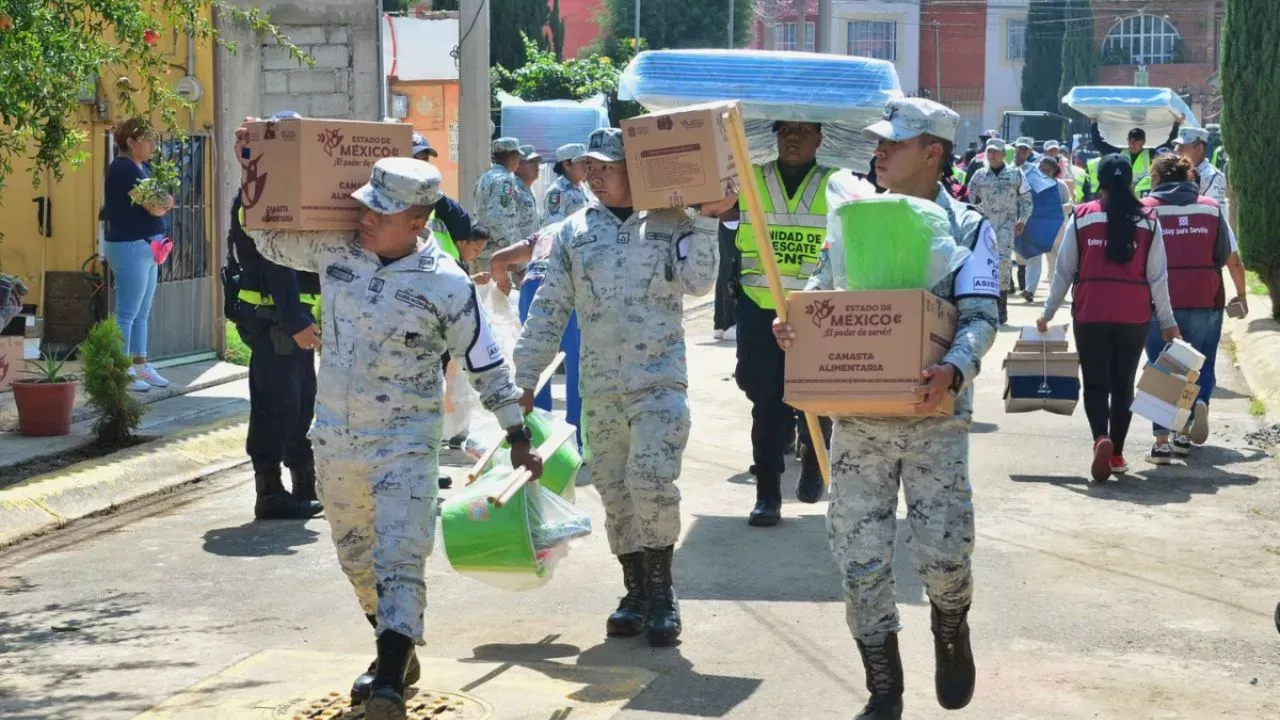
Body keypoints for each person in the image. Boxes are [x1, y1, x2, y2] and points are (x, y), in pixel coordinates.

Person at [236, 121, 543, 720]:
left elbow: (485, 360)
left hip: (405, 440)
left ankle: (389, 688)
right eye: (366, 208)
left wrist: (515, 431)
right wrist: (257, 163)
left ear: (419, 223)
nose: (366, 219)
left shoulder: (447, 284)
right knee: (356, 556)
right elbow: (267, 237)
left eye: (381, 213)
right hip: (336, 438)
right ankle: (394, 648)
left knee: (400, 554)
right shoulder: (335, 251)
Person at [773, 98, 1000, 720]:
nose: (878, 153)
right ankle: (883, 686)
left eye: (893, 145)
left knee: (944, 553)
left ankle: (951, 628)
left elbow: (982, 315)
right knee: (859, 555)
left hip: (935, 418)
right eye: (877, 144)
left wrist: (954, 365)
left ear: (933, 152)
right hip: (861, 421)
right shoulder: (851, 220)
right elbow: (823, 294)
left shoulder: (969, 227)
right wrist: (796, 326)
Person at [513, 127, 725, 647]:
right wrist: (521, 379)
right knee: (613, 488)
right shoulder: (572, 232)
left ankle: (662, 593)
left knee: (651, 481)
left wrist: (708, 220)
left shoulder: (676, 222)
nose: (595, 177)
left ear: (639, 170)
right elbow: (549, 309)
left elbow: (700, 283)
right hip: (601, 387)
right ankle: (634, 591)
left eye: (607, 167)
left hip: (658, 382)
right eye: (592, 168)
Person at [1038, 154, 1180, 483]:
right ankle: (1116, 453)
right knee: (1122, 384)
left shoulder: (1083, 216)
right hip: (1133, 314)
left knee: (1096, 382)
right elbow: (1158, 277)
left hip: (1091, 311)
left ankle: (1099, 437)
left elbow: (1063, 271)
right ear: (1130, 182)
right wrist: (1169, 322)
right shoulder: (1149, 221)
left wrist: (1047, 313)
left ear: (1099, 182)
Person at [735, 121, 838, 525]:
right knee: (766, 401)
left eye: (803, 130)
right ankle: (768, 495)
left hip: (817, 309)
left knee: (817, 395)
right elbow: (715, 206)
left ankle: (814, 462)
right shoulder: (751, 175)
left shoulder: (837, 183)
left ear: (819, 138)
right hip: (760, 306)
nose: (792, 138)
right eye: (784, 131)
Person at [1141, 155, 1248, 463]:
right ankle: (1188, 425)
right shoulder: (1211, 209)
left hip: (1159, 301)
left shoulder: (1146, 209)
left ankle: (1161, 443)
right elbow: (1233, 260)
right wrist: (1242, 294)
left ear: (1158, 180)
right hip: (1205, 297)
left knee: (1163, 368)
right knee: (1199, 365)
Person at [227, 193, 325, 521]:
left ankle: (304, 483)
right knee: (277, 405)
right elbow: (275, 256)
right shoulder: (261, 196)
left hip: (292, 313)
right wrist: (293, 318)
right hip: (274, 316)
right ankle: (269, 492)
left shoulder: (291, 190)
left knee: (301, 402)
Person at [489, 222, 584, 445]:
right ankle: (578, 438)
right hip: (567, 285)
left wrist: (503, 284)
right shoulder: (587, 226)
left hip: (532, 285)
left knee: (534, 365)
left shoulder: (544, 233)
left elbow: (497, 260)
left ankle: (538, 437)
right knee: (576, 364)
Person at [104, 117, 173, 392]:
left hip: (148, 246)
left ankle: (142, 365)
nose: (153, 145)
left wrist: (163, 203)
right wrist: (163, 203)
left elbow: (163, 201)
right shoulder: (123, 169)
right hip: (130, 246)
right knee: (127, 312)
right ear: (130, 142)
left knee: (143, 312)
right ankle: (122, 369)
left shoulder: (141, 167)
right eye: (147, 139)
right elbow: (157, 206)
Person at [968, 138, 1032, 324]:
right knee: (983, 264)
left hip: (1006, 225)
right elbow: (970, 200)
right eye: (989, 151)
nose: (992, 155)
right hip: (985, 225)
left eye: (996, 151)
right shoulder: (979, 175)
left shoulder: (1015, 174)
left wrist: (1023, 220)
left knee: (1003, 262)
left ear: (1004, 154)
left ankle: (1001, 308)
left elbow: (1026, 199)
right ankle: (985, 305)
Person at [411, 132, 472, 260]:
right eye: (415, 159)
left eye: (425, 159)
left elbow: (463, 227)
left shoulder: (436, 199)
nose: (422, 165)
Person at [1020, 156, 1072, 302]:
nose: (1043, 173)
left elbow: (1069, 205)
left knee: (1054, 260)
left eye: (1047, 170)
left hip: (1055, 228)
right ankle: (1029, 290)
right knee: (1033, 258)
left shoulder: (1060, 185)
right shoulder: (1031, 184)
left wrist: (1055, 209)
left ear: (1055, 171)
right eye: (1041, 169)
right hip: (1035, 227)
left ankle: (1055, 293)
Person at [472, 137, 526, 271]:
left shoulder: (485, 177)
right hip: (496, 254)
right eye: (518, 157)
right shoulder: (505, 179)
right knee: (497, 292)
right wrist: (509, 249)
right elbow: (496, 217)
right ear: (513, 156)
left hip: (481, 251)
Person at [1089, 119, 1180, 196]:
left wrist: (1176, 124)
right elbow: (1099, 145)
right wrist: (1094, 123)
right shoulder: (1120, 153)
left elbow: (1168, 145)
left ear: (1143, 142)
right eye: (1131, 141)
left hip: (1143, 198)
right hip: (1123, 196)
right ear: (1127, 141)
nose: (1133, 145)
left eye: (1137, 142)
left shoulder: (1150, 154)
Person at [1173, 127, 1228, 206]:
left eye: (1183, 146)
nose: (1177, 150)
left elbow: (1216, 212)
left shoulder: (1213, 177)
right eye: (1177, 146)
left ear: (1199, 148)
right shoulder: (1174, 171)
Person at [544, 143, 592, 223]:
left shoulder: (584, 187)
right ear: (566, 164)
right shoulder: (557, 191)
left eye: (587, 162)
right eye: (582, 162)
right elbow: (554, 226)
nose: (587, 166)